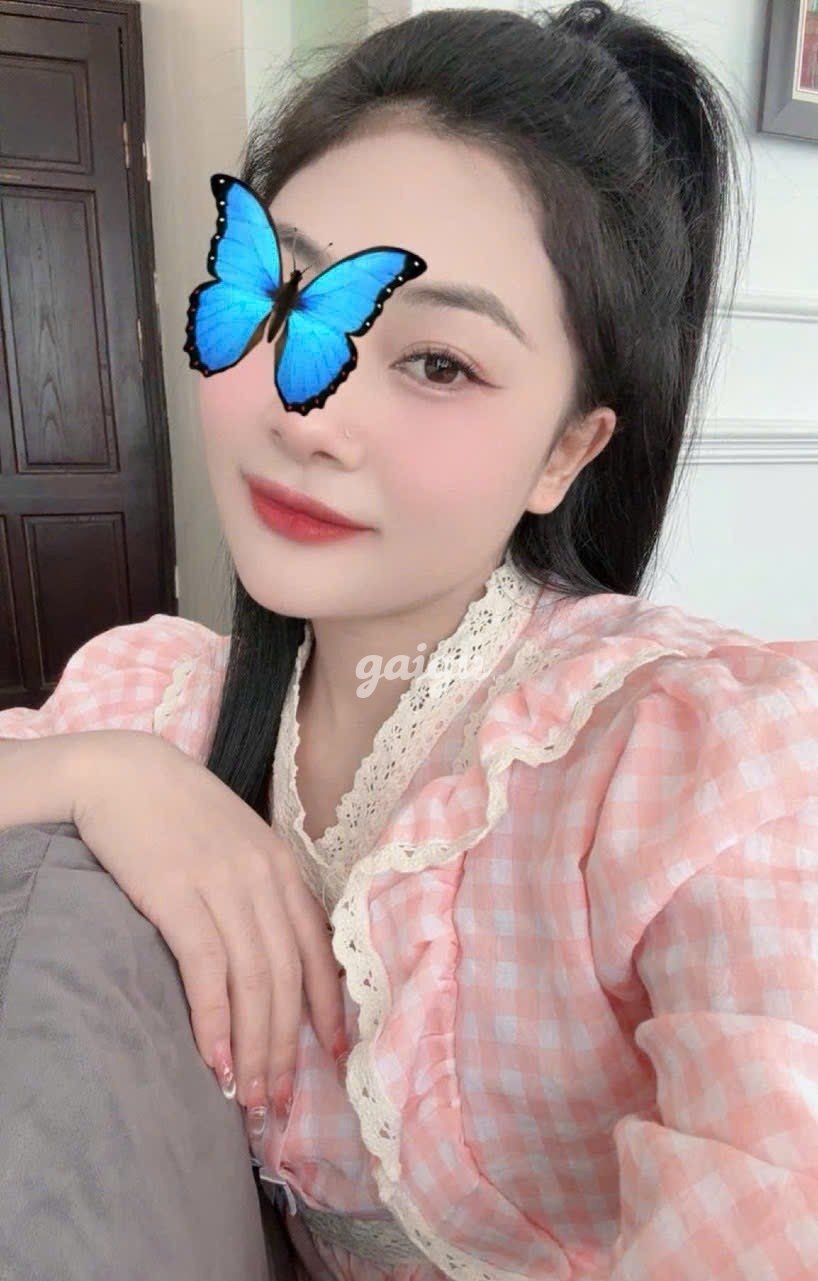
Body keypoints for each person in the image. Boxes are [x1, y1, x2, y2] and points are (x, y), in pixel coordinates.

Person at [2, 2, 818, 1277]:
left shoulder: (693, 763)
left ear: (565, 452)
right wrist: (100, 774)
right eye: (280, 300)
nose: (306, 411)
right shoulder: (159, 701)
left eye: (437, 364)